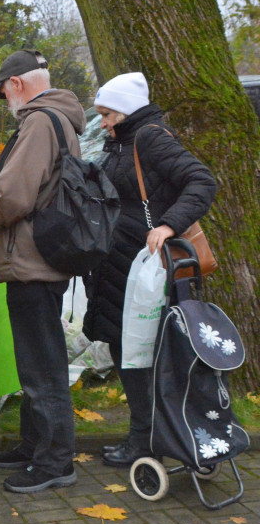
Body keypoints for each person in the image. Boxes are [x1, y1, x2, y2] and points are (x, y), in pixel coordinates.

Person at [82, 72, 216, 467]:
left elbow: (201, 181)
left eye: (107, 113)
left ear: (125, 111)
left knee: (140, 355)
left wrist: (168, 225)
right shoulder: (121, 142)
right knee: (129, 352)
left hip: (145, 272)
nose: (102, 121)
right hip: (120, 269)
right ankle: (149, 434)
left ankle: (146, 439)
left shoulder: (149, 138)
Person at [0, 50, 85, 494]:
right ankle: (36, 446)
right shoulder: (62, 119)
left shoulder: (38, 122)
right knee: (39, 362)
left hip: (32, 263)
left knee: (42, 367)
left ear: (16, 83)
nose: (6, 103)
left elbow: (14, 197)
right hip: (47, 257)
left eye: (3, 93)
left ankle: (55, 461)